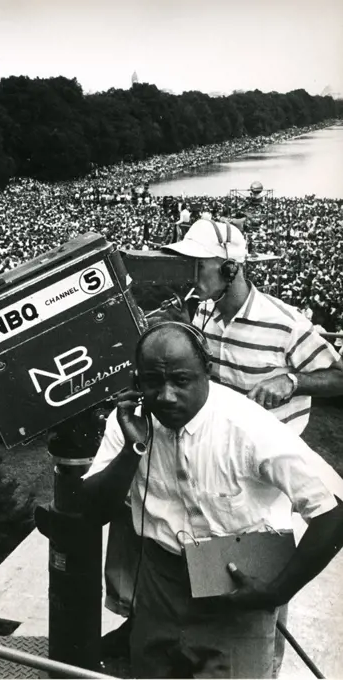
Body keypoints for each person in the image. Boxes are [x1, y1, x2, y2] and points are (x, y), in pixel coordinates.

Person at [83, 323, 343, 678]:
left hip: (238, 582)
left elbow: (334, 510)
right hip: (161, 579)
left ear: (207, 372)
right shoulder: (129, 421)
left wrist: (277, 590)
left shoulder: (248, 427)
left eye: (181, 380)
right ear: (137, 381)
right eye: (152, 382)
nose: (167, 396)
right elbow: (94, 510)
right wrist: (133, 448)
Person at [162, 219, 343, 436]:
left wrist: (291, 382)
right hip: (222, 445)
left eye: (198, 266)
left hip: (272, 453)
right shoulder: (202, 312)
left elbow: (339, 376)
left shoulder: (286, 323)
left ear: (229, 269)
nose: (190, 276)